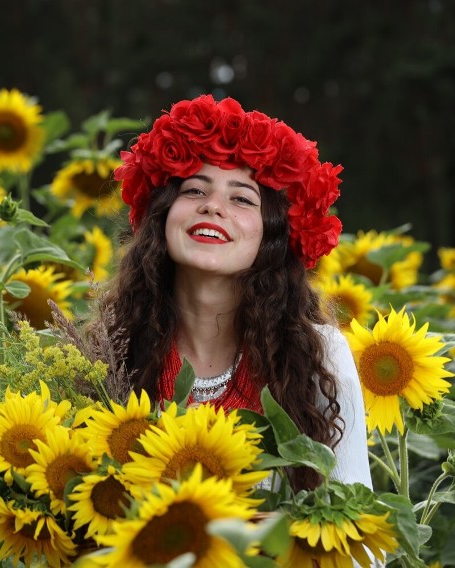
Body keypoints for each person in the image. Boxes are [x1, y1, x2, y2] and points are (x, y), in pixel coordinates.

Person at [93, 94, 372, 493]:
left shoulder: (319, 356)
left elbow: (358, 543)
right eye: (193, 191)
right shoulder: (110, 353)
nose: (213, 207)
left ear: (273, 235)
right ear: (162, 217)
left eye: (241, 197)